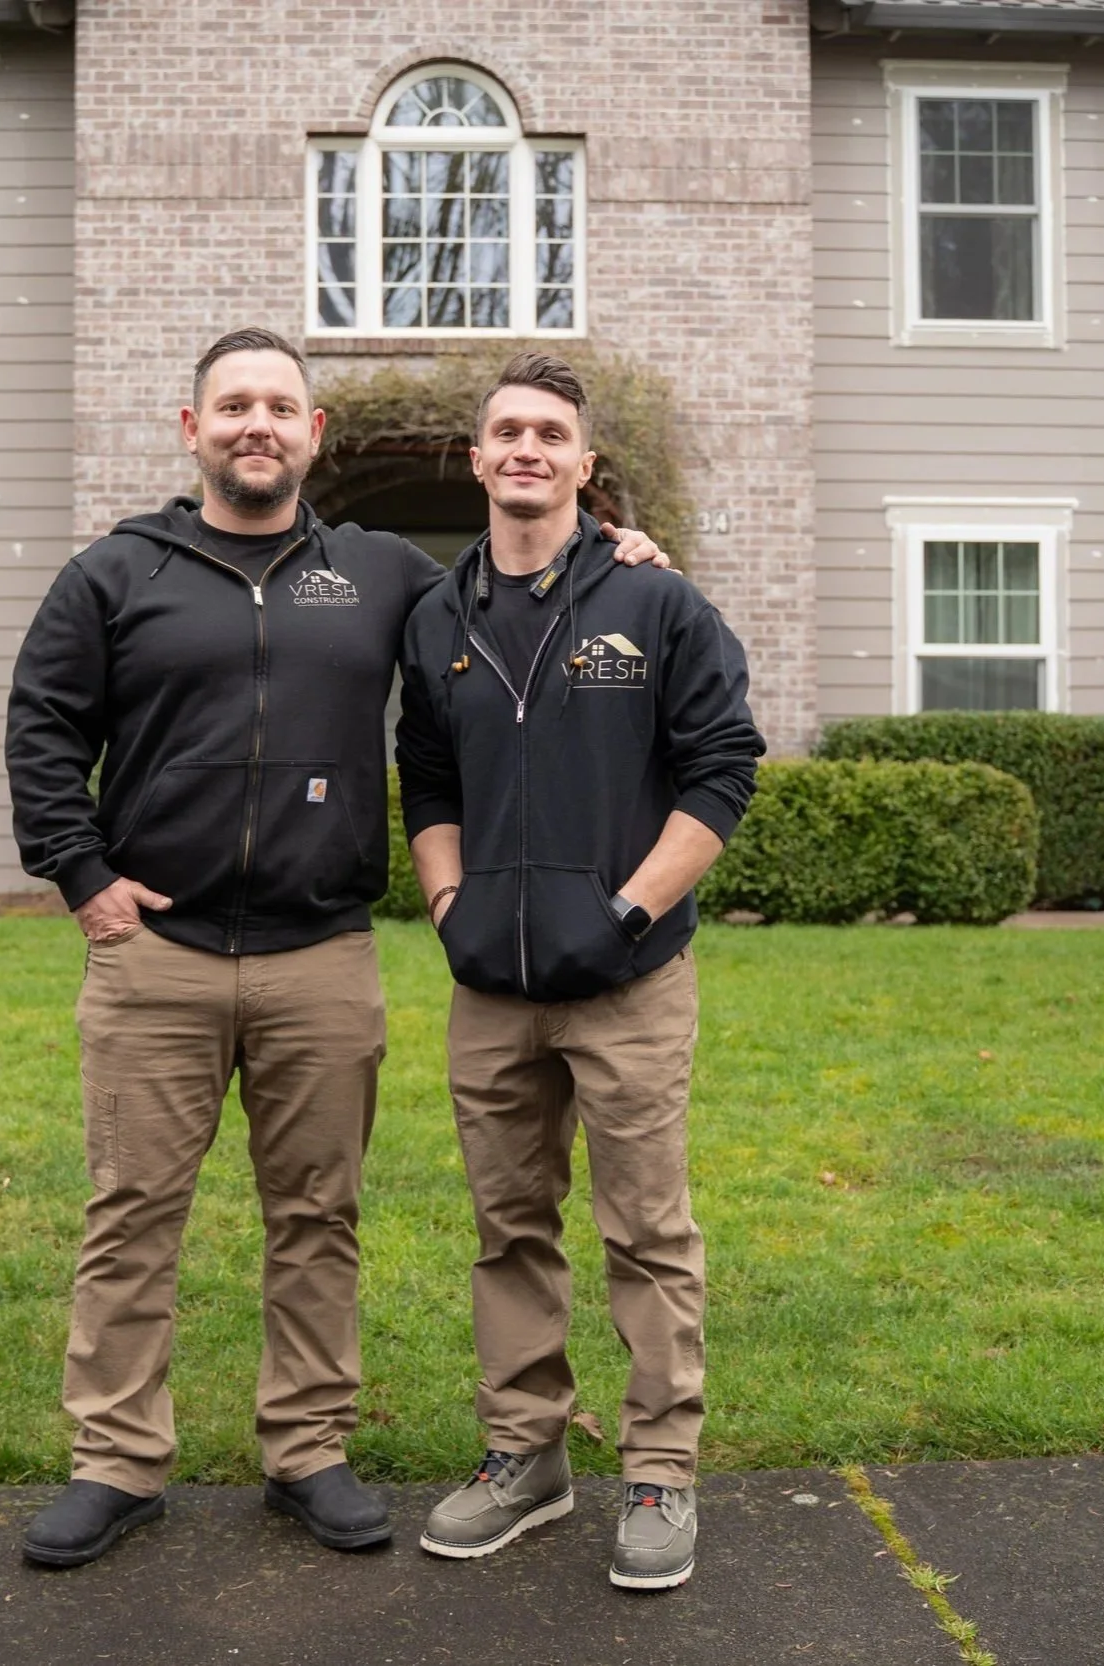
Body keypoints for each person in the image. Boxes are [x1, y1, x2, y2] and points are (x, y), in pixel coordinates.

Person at [4, 328, 672, 1567]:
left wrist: (622, 555)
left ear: (315, 436)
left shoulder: (382, 574)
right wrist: (83, 877)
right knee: (130, 1214)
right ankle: (115, 1462)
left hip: (321, 956)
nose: (256, 424)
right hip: (157, 953)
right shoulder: (115, 573)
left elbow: (517, 586)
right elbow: (42, 726)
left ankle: (306, 1449)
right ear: (190, 428)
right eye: (232, 405)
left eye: (280, 407)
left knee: (317, 1215)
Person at [395, 351, 764, 1590]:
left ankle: (659, 1469)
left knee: (646, 1229)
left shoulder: (657, 605)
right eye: (505, 430)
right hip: (490, 988)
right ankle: (525, 1456)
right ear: (477, 457)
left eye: (550, 432)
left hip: (627, 979)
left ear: (583, 463)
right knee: (508, 1229)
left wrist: (628, 908)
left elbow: (722, 770)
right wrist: (445, 898)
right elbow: (430, 779)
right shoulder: (437, 618)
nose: (525, 450)